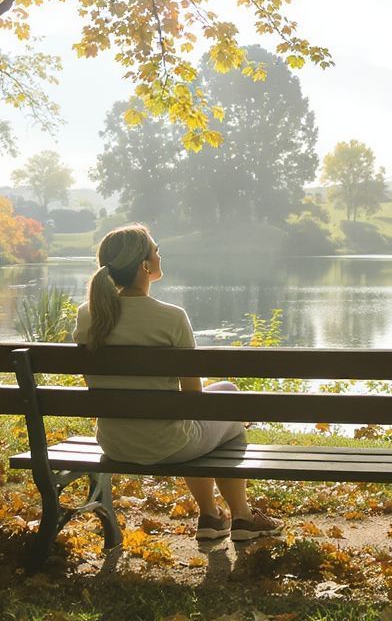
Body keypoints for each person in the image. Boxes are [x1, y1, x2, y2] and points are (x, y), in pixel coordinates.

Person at [72, 224, 283, 543]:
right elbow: (194, 399)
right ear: (145, 265)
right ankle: (240, 517)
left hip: (114, 442)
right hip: (169, 445)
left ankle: (211, 516)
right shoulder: (171, 317)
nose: (160, 255)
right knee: (229, 404)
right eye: (156, 250)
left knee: (217, 409)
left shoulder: (88, 315)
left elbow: (95, 382)